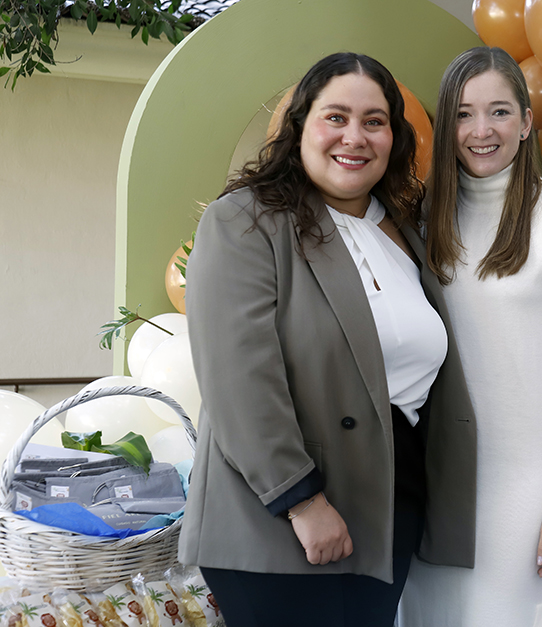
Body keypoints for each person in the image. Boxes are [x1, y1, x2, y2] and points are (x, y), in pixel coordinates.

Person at [178, 52, 476, 627]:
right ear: (299, 127)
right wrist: (302, 501)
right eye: (335, 117)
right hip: (283, 513)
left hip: (389, 501)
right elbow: (241, 383)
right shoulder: (244, 221)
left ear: (395, 137)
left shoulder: (403, 232)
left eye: (374, 121)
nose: (354, 137)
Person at [397, 47, 542, 626]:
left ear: (527, 122)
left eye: (499, 112)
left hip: (523, 478)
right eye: (463, 114)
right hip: (434, 469)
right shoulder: (419, 215)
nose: (481, 131)